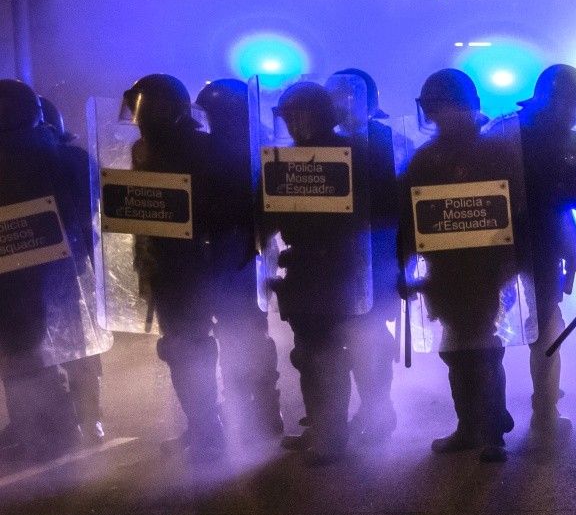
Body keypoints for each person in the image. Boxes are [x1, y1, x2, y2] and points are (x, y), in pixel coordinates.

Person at [124, 74, 281, 455]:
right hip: (182, 266)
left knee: (236, 341)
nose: (142, 116)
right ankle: (209, 427)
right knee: (188, 348)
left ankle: (250, 421)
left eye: (149, 107)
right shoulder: (144, 151)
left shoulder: (208, 148)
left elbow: (242, 209)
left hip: (220, 262)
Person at [399, 69, 524, 462]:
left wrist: (512, 264)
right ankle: (477, 425)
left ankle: (488, 431)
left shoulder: (497, 152)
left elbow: (517, 211)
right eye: (435, 109)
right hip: (445, 273)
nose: (440, 116)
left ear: (466, 108)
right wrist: (402, 268)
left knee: (481, 347)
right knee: (458, 350)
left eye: (445, 107)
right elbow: (409, 217)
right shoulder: (425, 160)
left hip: (485, 270)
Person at [266, 82, 373, 463]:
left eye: (301, 115)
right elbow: (268, 213)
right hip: (302, 266)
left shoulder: (353, 154)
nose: (294, 124)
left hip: (337, 267)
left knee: (324, 352)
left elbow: (374, 214)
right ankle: (322, 428)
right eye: (289, 117)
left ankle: (332, 436)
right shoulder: (284, 160)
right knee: (307, 353)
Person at [492, 64, 576, 446]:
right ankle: (534, 414)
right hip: (522, 241)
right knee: (533, 327)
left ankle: (542, 411)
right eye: (571, 105)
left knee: (545, 327)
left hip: (534, 242)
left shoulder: (504, 132)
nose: (574, 114)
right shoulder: (506, 134)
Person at [0, 79, 96, 461]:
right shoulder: (66, 158)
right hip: (60, 271)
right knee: (49, 348)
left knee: (21, 351)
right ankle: (53, 428)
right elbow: (88, 210)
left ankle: (46, 431)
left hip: (19, 278)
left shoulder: (63, 159)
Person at [327, 67, 402, 443]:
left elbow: (402, 208)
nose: (343, 103)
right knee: (351, 337)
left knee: (370, 336)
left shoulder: (389, 143)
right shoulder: (322, 146)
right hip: (337, 259)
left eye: (350, 96)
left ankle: (377, 409)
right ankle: (369, 409)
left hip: (377, 258)